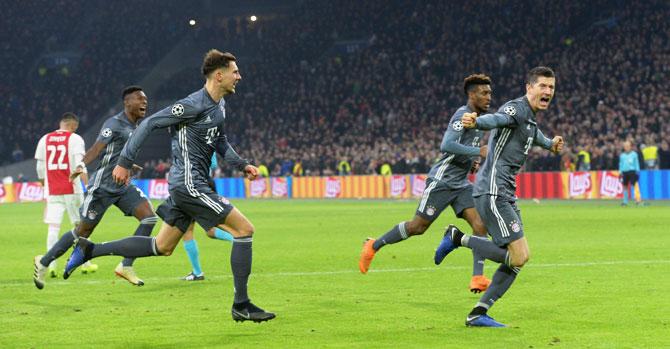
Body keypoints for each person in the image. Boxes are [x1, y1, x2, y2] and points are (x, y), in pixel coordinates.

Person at [63, 50, 275, 322]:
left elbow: (220, 141)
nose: (239, 76)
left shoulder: (220, 105)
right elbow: (150, 122)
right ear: (219, 75)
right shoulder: (191, 105)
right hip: (190, 184)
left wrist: (242, 164)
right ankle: (241, 305)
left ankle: (90, 249)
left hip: (188, 185)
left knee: (161, 246)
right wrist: (125, 161)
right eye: (235, 71)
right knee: (245, 230)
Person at [434, 67, 564, 327]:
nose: (548, 91)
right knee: (517, 256)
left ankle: (478, 312)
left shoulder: (529, 118)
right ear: (529, 87)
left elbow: (532, 134)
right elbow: (497, 119)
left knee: (520, 258)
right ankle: (457, 238)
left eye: (551, 87)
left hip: (504, 192)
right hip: (493, 190)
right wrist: (477, 122)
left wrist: (550, 143)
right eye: (542, 86)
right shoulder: (516, 109)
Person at [359, 74, 492, 293]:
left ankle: (477, 277)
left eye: (490, 93)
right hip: (442, 181)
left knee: (480, 226)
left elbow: (463, 147)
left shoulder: (479, 119)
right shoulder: (462, 115)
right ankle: (373, 245)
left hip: (460, 183)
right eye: (484, 93)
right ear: (472, 94)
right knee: (418, 227)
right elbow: (447, 144)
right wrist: (479, 151)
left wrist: (472, 161)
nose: (489, 97)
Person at [32, 86, 157, 289]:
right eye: (139, 99)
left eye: (146, 99)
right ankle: (44, 262)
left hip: (122, 186)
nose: (145, 102)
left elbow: (117, 153)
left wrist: (129, 166)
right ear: (127, 103)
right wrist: (81, 165)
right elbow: (96, 149)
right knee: (82, 232)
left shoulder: (136, 126)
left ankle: (126, 265)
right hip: (102, 187)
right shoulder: (114, 123)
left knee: (149, 217)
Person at [34, 112, 88, 278]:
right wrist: (87, 186)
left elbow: (39, 168)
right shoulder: (75, 139)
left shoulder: (45, 139)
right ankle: (85, 263)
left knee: (53, 227)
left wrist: (45, 186)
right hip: (73, 189)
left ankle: (50, 265)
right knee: (80, 226)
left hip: (53, 191)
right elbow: (80, 165)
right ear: (73, 126)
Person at [181, 158, 234, 282]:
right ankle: (238, 239)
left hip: (194, 185)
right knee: (210, 229)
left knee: (188, 230)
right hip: (206, 182)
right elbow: (214, 163)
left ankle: (197, 272)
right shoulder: (209, 138)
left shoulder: (187, 140)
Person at [619, 140, 641, 206]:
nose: (626, 147)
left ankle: (638, 200)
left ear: (631, 147)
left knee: (635, 185)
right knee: (625, 186)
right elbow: (620, 164)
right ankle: (625, 201)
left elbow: (636, 163)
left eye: (628, 146)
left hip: (632, 171)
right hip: (624, 172)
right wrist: (620, 172)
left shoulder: (634, 154)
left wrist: (637, 171)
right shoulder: (622, 155)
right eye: (625, 146)